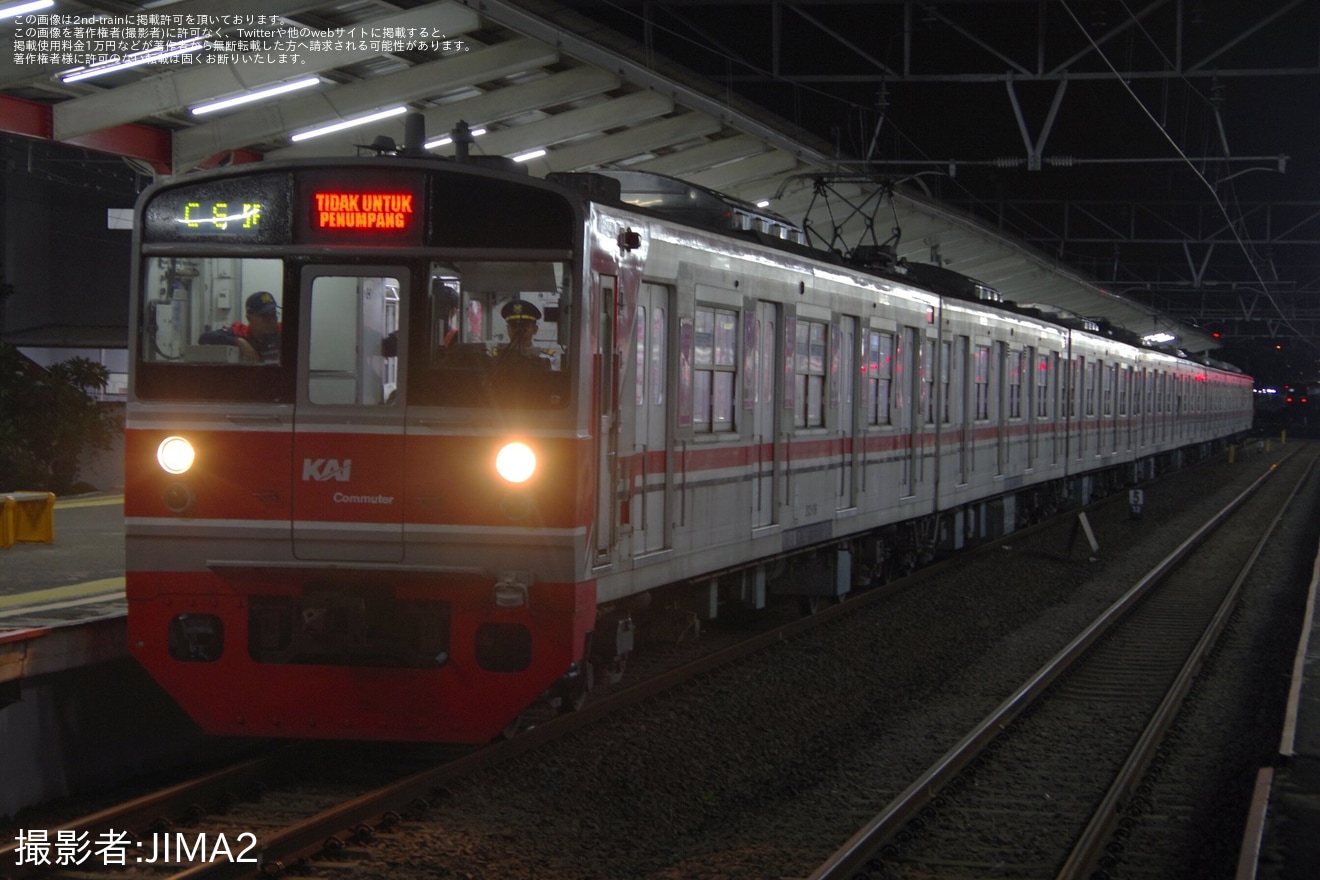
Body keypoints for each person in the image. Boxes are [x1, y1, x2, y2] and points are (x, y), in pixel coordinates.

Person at [198, 291, 282, 363]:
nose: (272, 320)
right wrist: (239, 342)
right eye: (265, 316)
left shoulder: (281, 331)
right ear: (249, 318)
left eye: (274, 315)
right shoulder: (240, 332)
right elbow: (204, 338)